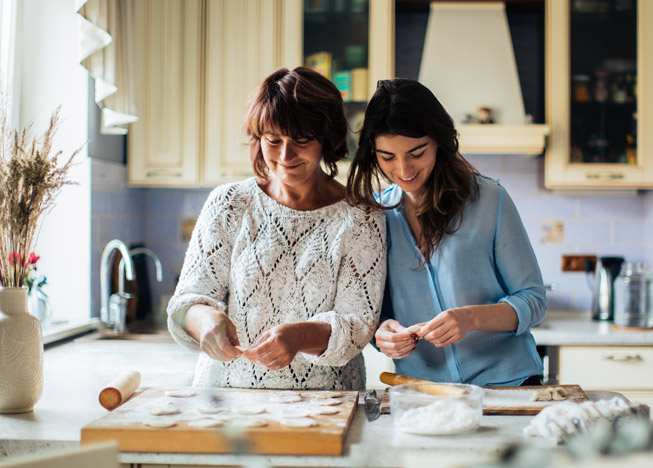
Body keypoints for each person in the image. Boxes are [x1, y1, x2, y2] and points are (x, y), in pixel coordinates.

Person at [167, 67, 386, 390]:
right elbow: (188, 299)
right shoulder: (229, 204)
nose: (285, 155)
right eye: (273, 140)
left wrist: (298, 337)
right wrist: (205, 321)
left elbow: (358, 325)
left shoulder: (362, 217)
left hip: (325, 403)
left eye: (301, 140)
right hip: (227, 398)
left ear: (326, 139)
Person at [346, 78, 546, 387]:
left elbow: (533, 300)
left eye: (417, 152)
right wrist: (383, 333)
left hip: (509, 386)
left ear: (439, 141)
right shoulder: (376, 217)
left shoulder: (489, 200)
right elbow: (376, 314)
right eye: (387, 157)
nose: (403, 168)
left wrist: (471, 317)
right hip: (423, 392)